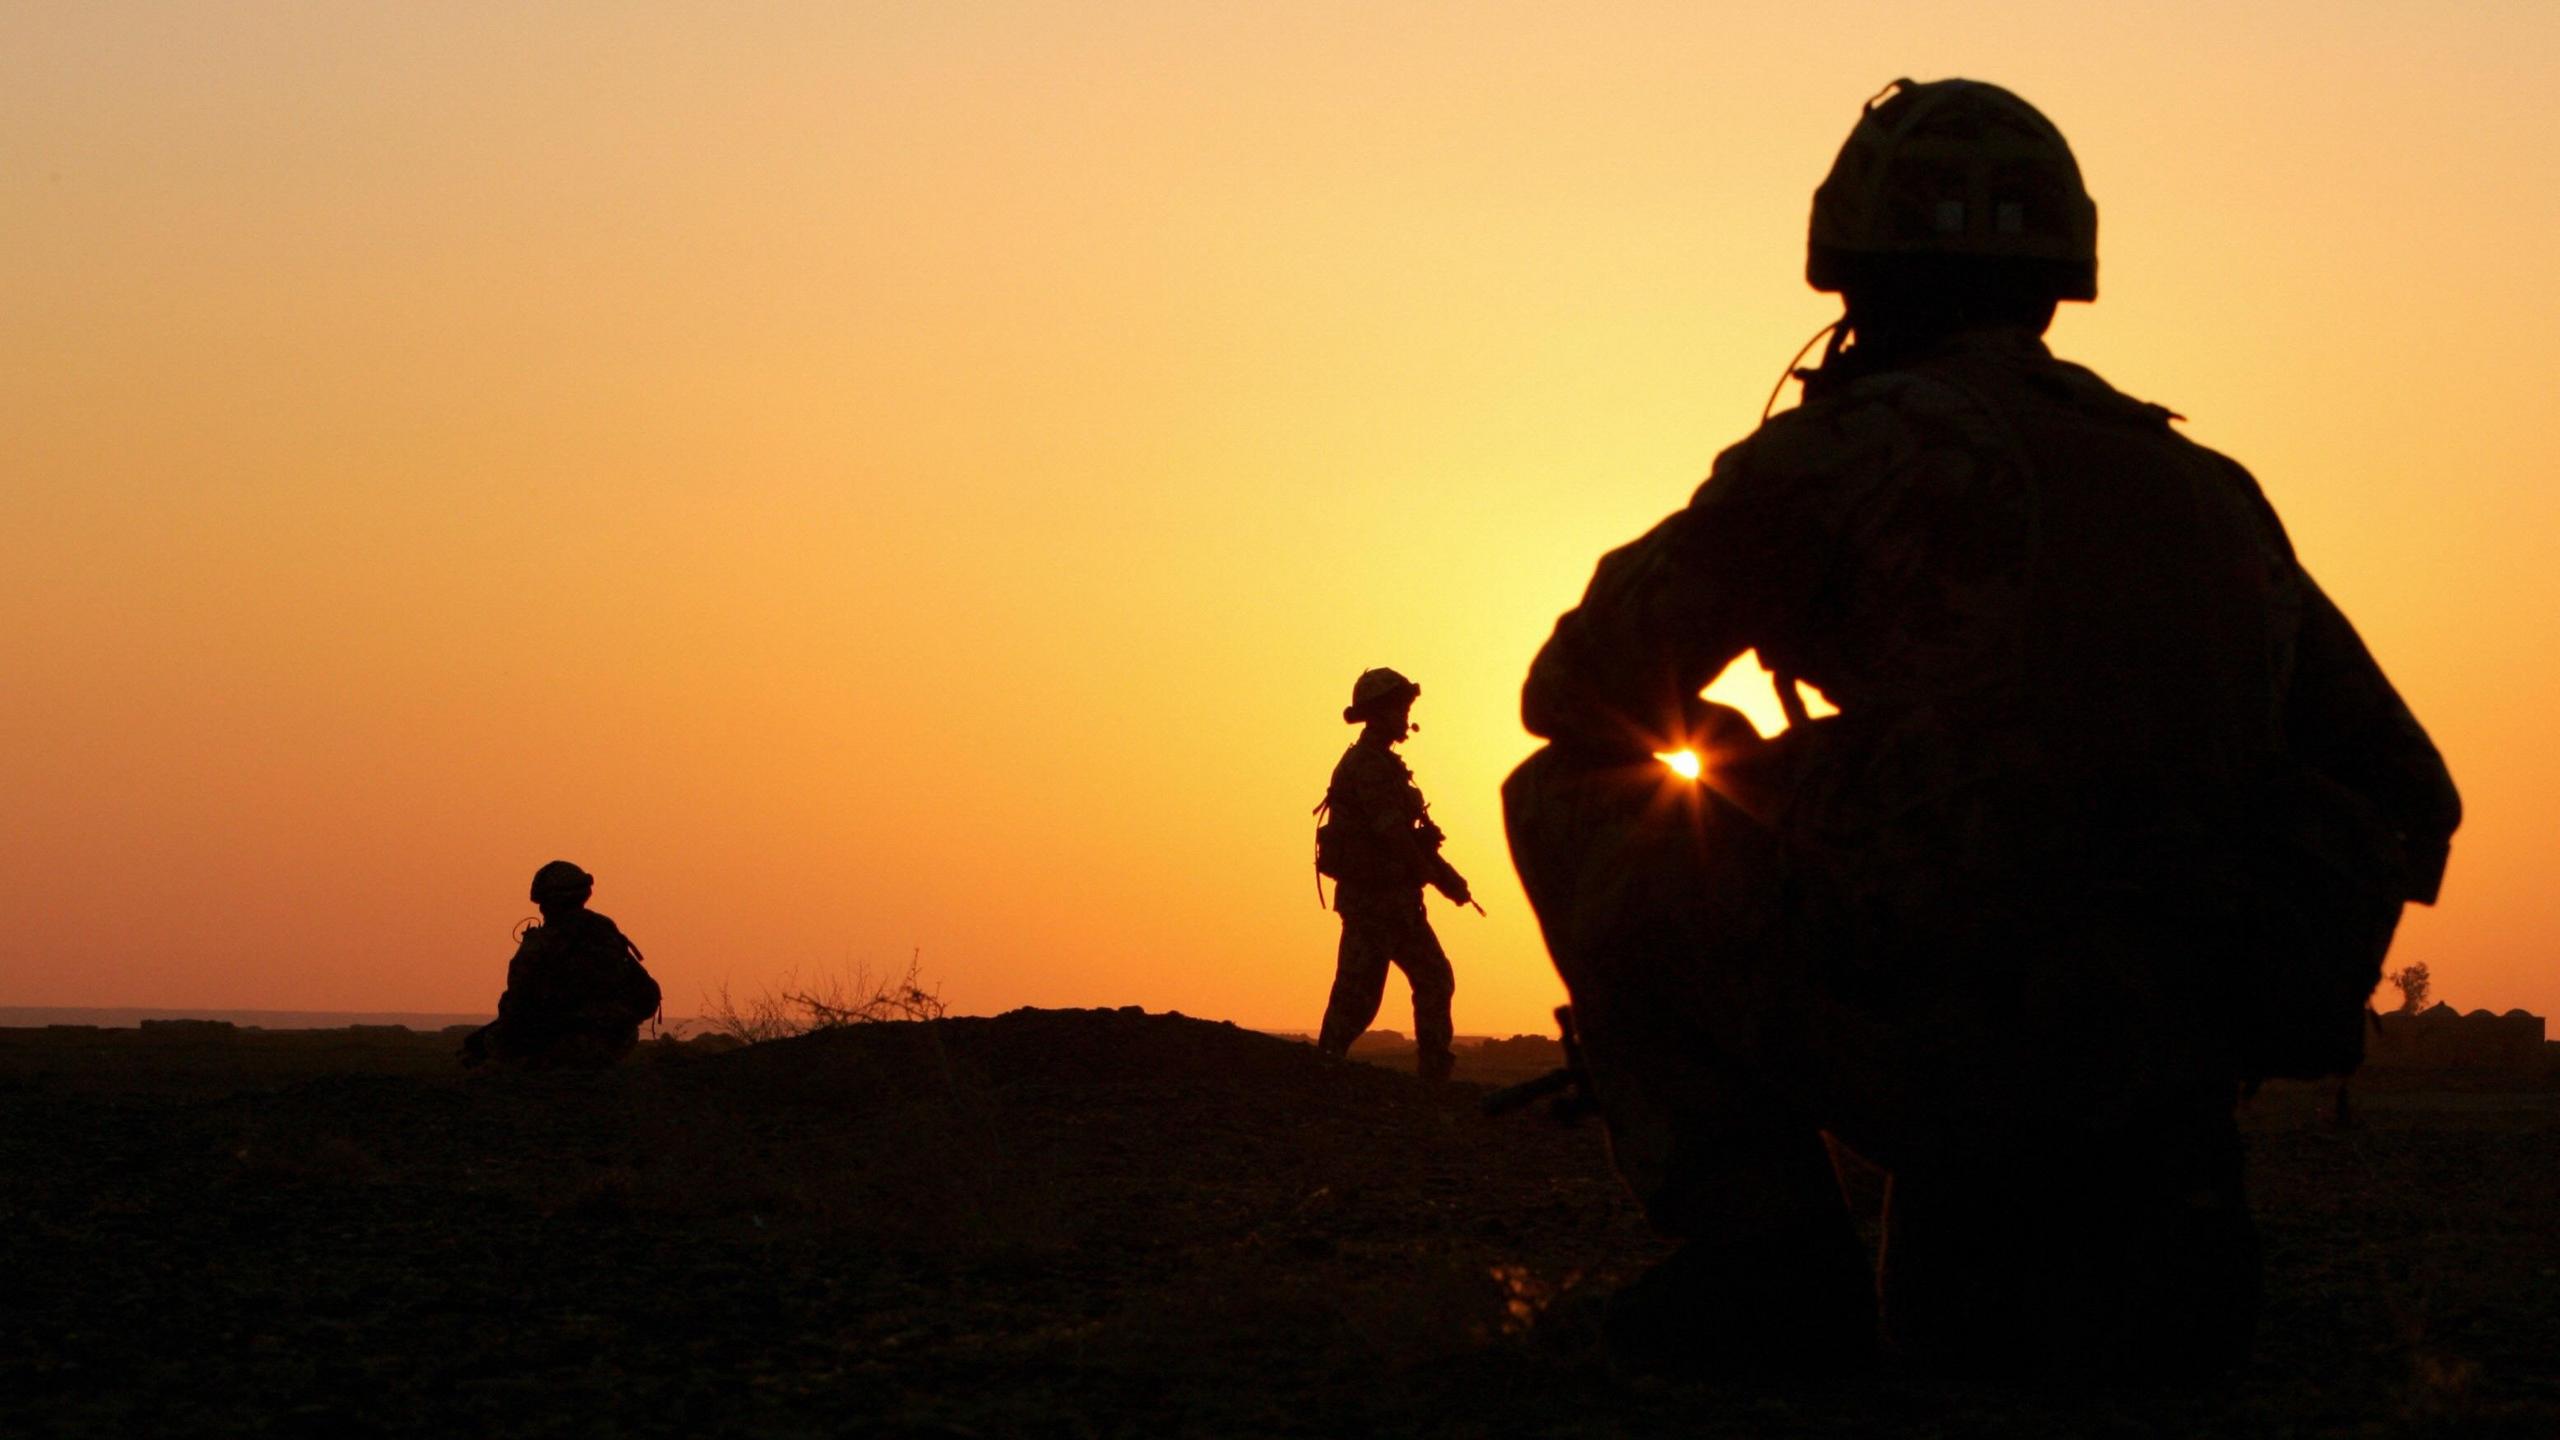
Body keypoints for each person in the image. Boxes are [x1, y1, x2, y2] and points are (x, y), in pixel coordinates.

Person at [1503, 78, 2458, 1378]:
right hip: (2164, 1062)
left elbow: (1578, 689)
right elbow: (2402, 785)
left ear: (1851, 270)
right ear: (2059, 275)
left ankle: (1763, 1267)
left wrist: (1747, 771)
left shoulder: (1853, 444)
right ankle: (2144, 1185)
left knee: (1571, 791)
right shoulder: (2208, 487)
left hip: (1953, 1014)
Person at [1315, 667, 1476, 1080]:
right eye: (1399, 707)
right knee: (1357, 999)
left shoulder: (1385, 764)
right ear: (1378, 712)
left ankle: (1434, 1074)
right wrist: (1439, 879)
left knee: (1434, 978)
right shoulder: (1366, 766)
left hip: (1398, 902)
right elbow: (1395, 838)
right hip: (1372, 902)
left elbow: (1410, 839)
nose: (1405, 716)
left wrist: (1446, 875)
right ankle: (1321, 1072)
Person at [461, 860, 662, 1070]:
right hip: (618, 1041)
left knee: (490, 1051)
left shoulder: (542, 942)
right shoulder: (604, 929)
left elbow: (516, 1004)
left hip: (566, 1046)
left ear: (547, 902)